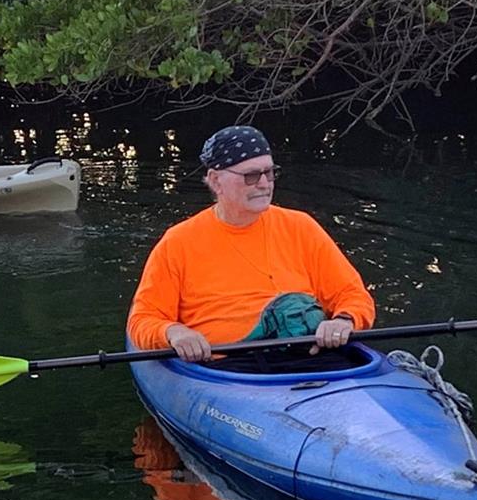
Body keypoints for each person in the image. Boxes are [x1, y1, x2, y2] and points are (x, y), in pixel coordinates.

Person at [127, 125, 376, 362]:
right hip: (226, 368)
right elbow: (143, 320)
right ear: (216, 181)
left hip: (311, 355)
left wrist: (343, 321)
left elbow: (352, 295)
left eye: (269, 172)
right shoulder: (177, 242)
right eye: (251, 175)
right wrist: (174, 332)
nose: (264, 183)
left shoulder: (302, 227)